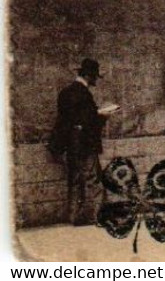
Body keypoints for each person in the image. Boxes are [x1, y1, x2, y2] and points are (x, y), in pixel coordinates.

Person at [49, 59, 114, 226]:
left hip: (70, 143)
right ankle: (99, 217)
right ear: (87, 75)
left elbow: (65, 119)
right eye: (94, 77)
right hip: (85, 143)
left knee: (75, 180)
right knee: (94, 179)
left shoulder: (65, 92)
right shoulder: (84, 94)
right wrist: (103, 115)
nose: (95, 80)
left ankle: (72, 217)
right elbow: (88, 121)